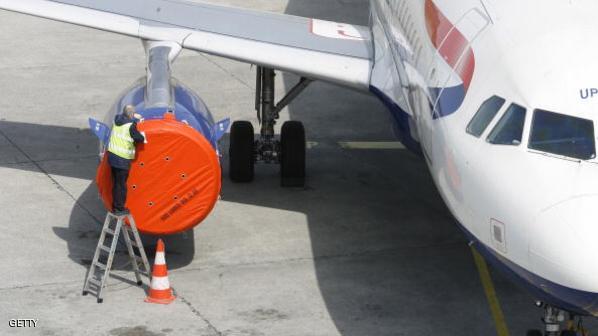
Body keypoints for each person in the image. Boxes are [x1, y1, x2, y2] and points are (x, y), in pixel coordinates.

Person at [107, 105, 146, 215]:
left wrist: (134, 117)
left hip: (112, 156)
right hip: (122, 160)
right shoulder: (131, 126)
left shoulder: (117, 119)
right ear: (132, 114)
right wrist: (135, 120)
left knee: (116, 183)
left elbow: (125, 117)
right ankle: (119, 208)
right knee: (121, 185)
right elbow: (139, 138)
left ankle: (114, 205)